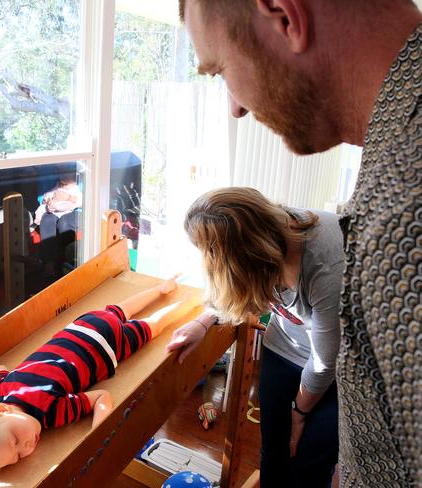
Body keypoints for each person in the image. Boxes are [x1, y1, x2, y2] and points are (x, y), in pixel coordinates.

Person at [177, 1, 421, 485]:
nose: (235, 107)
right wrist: (207, 319)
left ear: (284, 15)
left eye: (221, 68)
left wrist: (300, 409)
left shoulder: (400, 211)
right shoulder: (392, 154)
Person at [166, 187, 344, 487]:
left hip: (336, 368)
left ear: (246, 253)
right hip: (284, 347)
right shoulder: (263, 239)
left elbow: (325, 362)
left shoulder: (326, 263)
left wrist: (298, 412)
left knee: (311, 461)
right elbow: (235, 291)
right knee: (274, 449)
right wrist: (203, 321)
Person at [0, 276, 197, 480]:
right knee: (122, 309)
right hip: (79, 329)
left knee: (155, 324)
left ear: (0, 410)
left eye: (16, 440)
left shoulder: (52, 412)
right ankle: (162, 290)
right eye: (19, 456)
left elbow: (101, 397)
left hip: (109, 348)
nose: (28, 447)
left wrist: (98, 433)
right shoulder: (0, 392)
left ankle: (191, 303)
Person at [35, 177, 82, 280]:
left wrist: (68, 198)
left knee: (64, 224)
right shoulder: (57, 184)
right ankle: (49, 263)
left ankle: (67, 262)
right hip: (56, 210)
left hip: (74, 210)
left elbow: (81, 201)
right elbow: (46, 196)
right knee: (46, 219)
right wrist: (47, 202)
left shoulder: (78, 185)